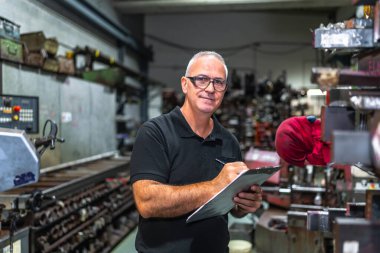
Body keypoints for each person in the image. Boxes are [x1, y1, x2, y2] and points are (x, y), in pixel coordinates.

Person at [130, 51, 263, 253]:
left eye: (219, 82)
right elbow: (147, 202)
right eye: (201, 79)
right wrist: (215, 186)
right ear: (185, 84)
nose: (210, 89)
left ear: (225, 90)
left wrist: (243, 205)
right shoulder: (155, 132)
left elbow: (232, 208)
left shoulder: (229, 142)